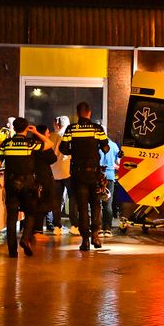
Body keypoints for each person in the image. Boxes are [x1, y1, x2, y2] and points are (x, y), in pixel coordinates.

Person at [0, 117, 54, 258]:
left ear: (14, 128)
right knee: (31, 212)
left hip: (11, 183)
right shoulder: (30, 143)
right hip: (28, 184)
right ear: (26, 128)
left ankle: (12, 252)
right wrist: (36, 132)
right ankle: (25, 239)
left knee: (12, 217)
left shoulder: (6, 144)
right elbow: (49, 143)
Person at [59, 102, 109, 251]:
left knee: (82, 207)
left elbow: (63, 148)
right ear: (89, 113)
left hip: (78, 174)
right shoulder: (97, 129)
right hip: (94, 173)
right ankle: (95, 235)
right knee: (95, 205)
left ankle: (85, 241)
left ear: (77, 113)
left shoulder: (71, 129)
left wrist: (74, 152)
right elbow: (105, 147)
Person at [49, 116, 73, 235]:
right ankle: (75, 225)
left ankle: (57, 226)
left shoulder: (51, 136)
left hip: (54, 171)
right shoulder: (68, 135)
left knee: (57, 200)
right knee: (73, 198)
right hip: (67, 170)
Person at [33, 125, 58, 234]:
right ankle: (38, 228)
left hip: (32, 177)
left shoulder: (30, 145)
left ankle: (34, 228)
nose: (49, 135)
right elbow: (53, 158)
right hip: (44, 177)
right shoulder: (42, 147)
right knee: (44, 203)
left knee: (36, 203)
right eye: (47, 133)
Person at [98, 125, 120, 238]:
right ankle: (108, 228)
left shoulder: (96, 145)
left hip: (98, 176)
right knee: (108, 203)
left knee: (97, 203)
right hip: (110, 176)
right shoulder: (114, 145)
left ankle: (99, 228)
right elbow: (118, 162)